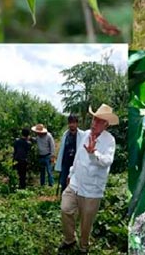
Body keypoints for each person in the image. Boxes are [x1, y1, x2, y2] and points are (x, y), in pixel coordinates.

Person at [59, 104, 118, 254]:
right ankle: (69, 239)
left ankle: (84, 246)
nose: (94, 123)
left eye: (98, 121)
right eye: (93, 119)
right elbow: (78, 156)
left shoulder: (109, 141)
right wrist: (70, 174)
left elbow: (107, 161)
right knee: (65, 209)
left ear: (106, 124)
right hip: (75, 183)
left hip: (92, 190)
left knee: (86, 223)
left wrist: (94, 153)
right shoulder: (85, 135)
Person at [55, 114, 86, 192]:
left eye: (73, 123)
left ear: (77, 123)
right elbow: (62, 150)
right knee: (64, 182)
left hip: (76, 163)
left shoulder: (82, 135)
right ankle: (63, 200)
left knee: (75, 182)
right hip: (66, 163)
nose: (72, 125)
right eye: (70, 123)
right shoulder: (65, 135)